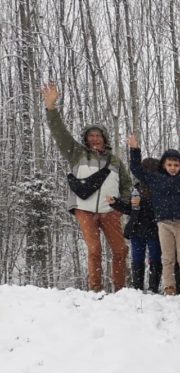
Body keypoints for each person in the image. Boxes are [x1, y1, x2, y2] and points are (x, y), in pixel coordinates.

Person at [43, 82, 131, 292]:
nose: (95, 139)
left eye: (98, 135)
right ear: (86, 139)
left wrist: (121, 205)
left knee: (120, 250)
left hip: (110, 211)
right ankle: (95, 290)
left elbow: (127, 184)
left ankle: (120, 291)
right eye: (91, 136)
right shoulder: (76, 153)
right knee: (94, 250)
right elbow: (59, 132)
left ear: (104, 138)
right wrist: (51, 108)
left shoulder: (115, 160)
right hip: (85, 209)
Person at [128, 137, 180, 296]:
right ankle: (169, 288)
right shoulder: (156, 179)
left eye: (176, 165)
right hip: (164, 223)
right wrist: (135, 150)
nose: (173, 168)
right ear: (163, 165)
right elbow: (136, 169)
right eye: (169, 165)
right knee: (167, 258)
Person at [107, 167, 161, 293]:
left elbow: (159, 209)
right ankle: (137, 288)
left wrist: (143, 202)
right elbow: (129, 209)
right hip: (136, 230)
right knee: (137, 259)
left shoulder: (160, 189)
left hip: (154, 230)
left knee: (155, 258)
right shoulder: (136, 189)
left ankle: (153, 288)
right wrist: (115, 203)